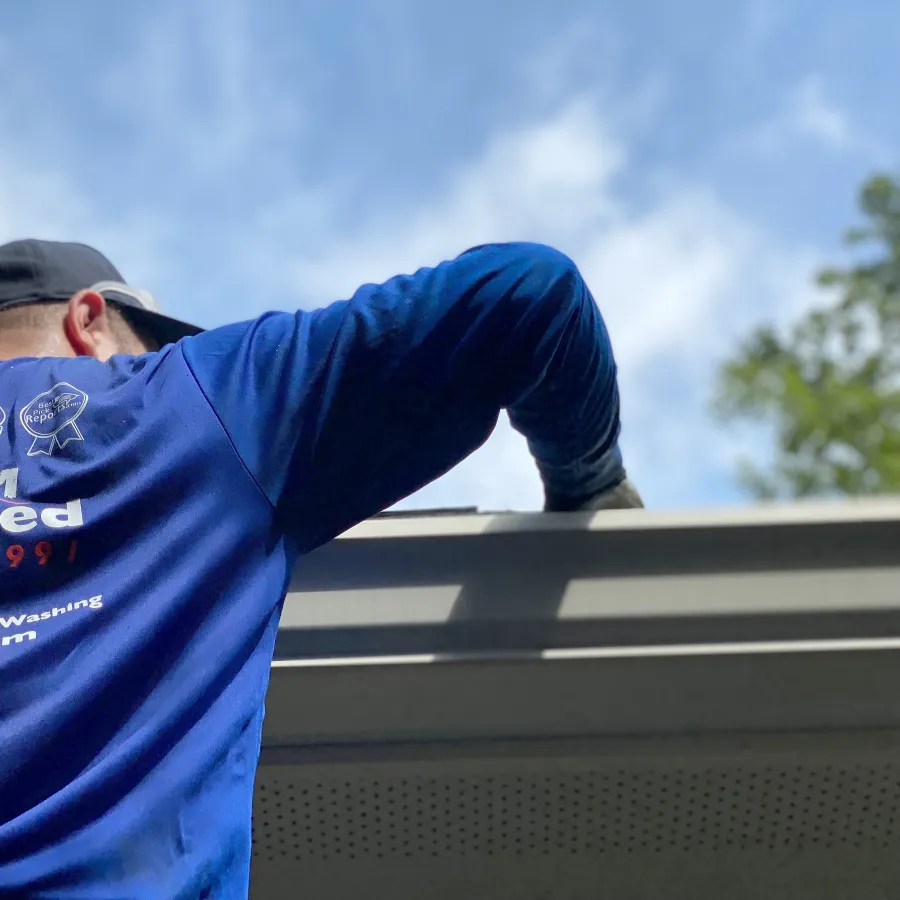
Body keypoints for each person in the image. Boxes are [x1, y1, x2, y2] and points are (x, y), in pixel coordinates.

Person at [0, 237, 643, 897]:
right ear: (88, 324)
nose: (153, 359)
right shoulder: (183, 401)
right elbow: (529, 293)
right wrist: (591, 487)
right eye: (146, 344)